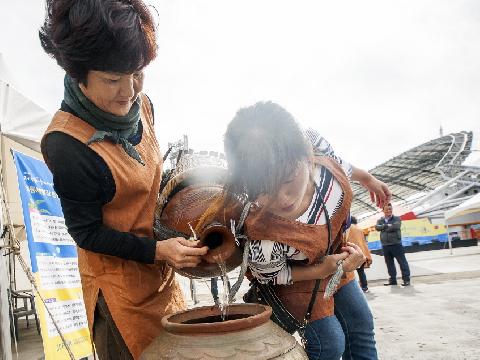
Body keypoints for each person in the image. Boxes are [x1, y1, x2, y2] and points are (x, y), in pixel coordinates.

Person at [39, 1, 208, 359]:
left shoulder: (142, 106)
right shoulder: (68, 144)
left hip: (158, 276)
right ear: (78, 75)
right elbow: (86, 233)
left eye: (137, 74)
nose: (128, 91)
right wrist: (158, 250)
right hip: (118, 294)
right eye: (112, 80)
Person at [222, 101, 390, 360]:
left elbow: (343, 164)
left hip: (335, 263)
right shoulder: (262, 237)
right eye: (264, 190)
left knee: (360, 321)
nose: (282, 199)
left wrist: (368, 179)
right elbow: (271, 276)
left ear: (308, 157)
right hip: (297, 279)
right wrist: (321, 270)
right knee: (330, 342)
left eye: (288, 179)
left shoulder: (318, 152)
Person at [375, 203, 411, 286]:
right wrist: (387, 225)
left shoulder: (397, 218)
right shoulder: (380, 220)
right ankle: (393, 280)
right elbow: (377, 227)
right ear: (383, 210)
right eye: (387, 209)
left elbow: (396, 226)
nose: (389, 211)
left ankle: (406, 280)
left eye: (390, 209)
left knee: (402, 262)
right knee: (389, 263)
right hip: (385, 245)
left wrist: (384, 227)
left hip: (396, 244)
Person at [348, 216, 372, 293]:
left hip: (350, 253)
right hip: (361, 253)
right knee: (361, 272)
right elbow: (364, 242)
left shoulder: (348, 228)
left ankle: (351, 290)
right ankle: (365, 288)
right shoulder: (359, 229)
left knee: (348, 272)